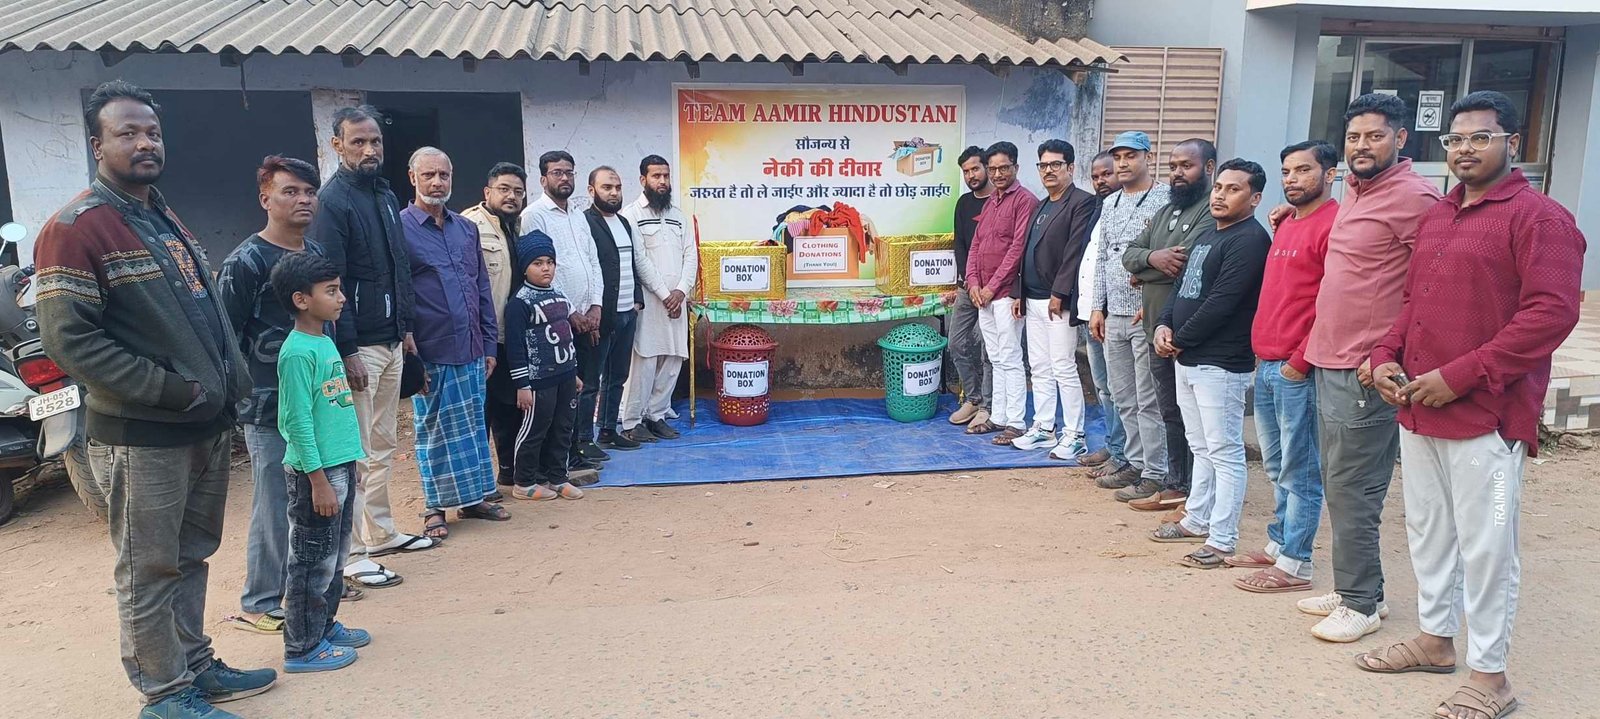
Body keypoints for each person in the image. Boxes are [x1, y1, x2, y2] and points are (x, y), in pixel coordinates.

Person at [35, 80, 276, 718]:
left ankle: (193, 664)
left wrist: (228, 388)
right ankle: (164, 694)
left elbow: (204, 315)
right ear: (98, 146)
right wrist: (170, 390)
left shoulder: (161, 216)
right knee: (148, 568)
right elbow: (69, 341)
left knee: (192, 555)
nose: (145, 143)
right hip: (143, 432)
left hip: (203, 425)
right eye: (128, 133)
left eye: (153, 133)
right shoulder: (75, 229)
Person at [1363, 90, 1585, 719]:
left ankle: (1491, 676)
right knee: (1428, 531)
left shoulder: (1540, 219)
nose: (1464, 149)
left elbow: (1551, 314)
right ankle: (1435, 641)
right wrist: (1384, 354)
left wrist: (1462, 376)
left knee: (1488, 546)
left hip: (1488, 418)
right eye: (1455, 139)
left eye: (1480, 137)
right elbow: (1413, 302)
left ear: (1512, 143)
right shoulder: (1441, 214)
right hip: (1418, 407)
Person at [1293, 94, 1442, 644]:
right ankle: (1358, 589)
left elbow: (1432, 286)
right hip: (1329, 358)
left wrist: (1387, 354)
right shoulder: (1355, 192)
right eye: (1354, 137)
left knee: (1354, 487)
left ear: (1400, 139)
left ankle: (1360, 603)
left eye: (1375, 136)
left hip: (1365, 369)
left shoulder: (1416, 197)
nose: (1362, 146)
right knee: (1337, 482)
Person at [312, 105, 432, 590]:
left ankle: (380, 533)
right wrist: (346, 349)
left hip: (392, 339)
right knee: (356, 451)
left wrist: (406, 327)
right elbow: (331, 280)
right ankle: (353, 553)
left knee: (383, 444)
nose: (369, 150)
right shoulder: (332, 201)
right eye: (358, 142)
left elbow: (398, 267)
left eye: (375, 141)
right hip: (359, 346)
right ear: (336, 145)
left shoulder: (384, 194)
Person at [218, 156, 328, 634]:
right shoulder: (245, 262)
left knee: (317, 497)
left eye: (309, 191)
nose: (303, 199)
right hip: (269, 407)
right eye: (290, 191)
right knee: (274, 504)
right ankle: (260, 600)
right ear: (265, 199)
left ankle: (307, 589)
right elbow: (225, 336)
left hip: (318, 402)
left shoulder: (315, 253)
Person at [1149, 159, 1271, 570]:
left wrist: (1179, 339)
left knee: (1225, 451)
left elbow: (1223, 302)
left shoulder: (1250, 240)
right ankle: (1196, 519)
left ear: (1255, 198)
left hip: (1221, 363)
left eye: (1234, 189)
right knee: (1200, 445)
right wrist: (1164, 325)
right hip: (1187, 358)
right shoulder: (1207, 234)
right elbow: (1181, 289)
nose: (1220, 195)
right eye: (1219, 187)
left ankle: (1222, 539)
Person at [1232, 141, 1338, 594]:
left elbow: (1333, 304)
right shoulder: (1288, 223)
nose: (1292, 179)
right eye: (1287, 171)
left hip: (1298, 370)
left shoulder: (1334, 225)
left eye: (1303, 170)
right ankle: (1278, 544)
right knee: (1276, 465)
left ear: (1329, 175)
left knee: (1302, 470)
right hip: (1269, 364)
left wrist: (1301, 360)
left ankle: (1296, 563)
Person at [270, 252, 372, 674]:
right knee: (311, 561)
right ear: (301, 300)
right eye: (331, 291)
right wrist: (318, 480)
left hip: (339, 466)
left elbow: (335, 409)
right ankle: (302, 646)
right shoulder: (297, 353)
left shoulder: (325, 341)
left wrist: (350, 461)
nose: (341, 298)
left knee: (335, 556)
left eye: (339, 289)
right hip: (317, 475)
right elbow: (297, 421)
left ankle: (324, 626)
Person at [401, 147, 509, 539]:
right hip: (429, 348)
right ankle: (435, 507)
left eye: (443, 175)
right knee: (433, 430)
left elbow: (481, 288)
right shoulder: (399, 229)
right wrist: (407, 346)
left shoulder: (466, 228)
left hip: (472, 346)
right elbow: (400, 290)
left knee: (473, 426)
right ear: (412, 178)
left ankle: (473, 499)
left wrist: (489, 344)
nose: (437, 183)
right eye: (428, 175)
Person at [1119, 139, 1218, 508]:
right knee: (1170, 412)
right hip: (1156, 329)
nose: (1177, 173)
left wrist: (1143, 271)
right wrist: (1151, 260)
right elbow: (1129, 254)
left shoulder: (1211, 209)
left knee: (1195, 418)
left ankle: (1195, 491)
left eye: (1186, 166)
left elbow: (1187, 263)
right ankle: (1176, 485)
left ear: (1209, 168)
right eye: (1173, 166)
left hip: (1189, 331)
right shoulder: (1165, 211)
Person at [1090, 131, 1170, 492]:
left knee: (1147, 399)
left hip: (1145, 314)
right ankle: (1134, 463)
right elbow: (1102, 259)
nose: (1122, 163)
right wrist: (1097, 307)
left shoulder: (1166, 198)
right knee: (1122, 395)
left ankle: (1156, 471)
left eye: (1130, 156)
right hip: (1114, 316)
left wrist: (1152, 303)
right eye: (1118, 157)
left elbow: (1174, 256)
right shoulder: (1110, 203)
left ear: (1148, 158)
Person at [1010, 139, 1096, 461]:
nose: (1048, 170)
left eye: (1055, 164)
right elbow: (1026, 251)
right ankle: (1044, 427)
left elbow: (1075, 252)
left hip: (1057, 301)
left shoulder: (1081, 203)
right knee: (1040, 367)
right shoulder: (1042, 205)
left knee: (1063, 366)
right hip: (1032, 299)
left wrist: (1060, 293)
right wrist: (1018, 292)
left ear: (1070, 167)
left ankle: (1075, 434)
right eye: (1043, 165)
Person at [520, 151, 606, 472]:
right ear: (543, 179)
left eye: (569, 172)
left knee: (579, 390)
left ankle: (575, 452)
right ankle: (557, 462)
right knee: (558, 395)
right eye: (557, 173)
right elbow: (539, 272)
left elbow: (593, 262)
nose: (565, 178)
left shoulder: (579, 215)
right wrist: (570, 313)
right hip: (554, 323)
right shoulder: (534, 216)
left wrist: (595, 306)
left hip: (586, 320)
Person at [964, 141, 1039, 445]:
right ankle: (999, 416)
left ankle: (1016, 422)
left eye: (1003, 168)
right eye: (992, 169)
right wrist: (972, 283)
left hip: (1006, 293)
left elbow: (1017, 249)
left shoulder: (1025, 201)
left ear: (1016, 167)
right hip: (982, 294)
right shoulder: (991, 202)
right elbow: (976, 245)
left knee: (1010, 357)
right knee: (995, 358)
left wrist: (991, 287)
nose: (997, 174)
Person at [505, 230, 587, 501]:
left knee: (564, 427)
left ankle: (558, 477)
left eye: (550, 262)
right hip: (538, 380)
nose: (546, 268)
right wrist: (522, 385)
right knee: (535, 429)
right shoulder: (520, 303)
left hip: (565, 375)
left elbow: (566, 335)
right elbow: (515, 348)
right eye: (537, 263)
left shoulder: (559, 295)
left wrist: (574, 372)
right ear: (524, 268)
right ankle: (524, 481)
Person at [621, 155, 697, 442]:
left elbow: (691, 255)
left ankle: (657, 415)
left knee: (673, 359)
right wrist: (666, 296)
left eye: (665, 176)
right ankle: (633, 421)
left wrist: (681, 291)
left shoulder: (679, 216)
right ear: (643, 180)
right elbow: (639, 260)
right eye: (656, 176)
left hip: (678, 300)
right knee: (646, 360)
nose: (662, 181)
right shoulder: (631, 215)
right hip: (651, 303)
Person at [462, 162, 528, 488]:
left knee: (508, 407)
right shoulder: (469, 225)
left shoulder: (517, 227)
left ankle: (507, 473)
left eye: (518, 191)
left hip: (509, 336)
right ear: (487, 192)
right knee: (480, 413)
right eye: (504, 189)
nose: (511, 196)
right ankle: (478, 485)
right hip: (480, 338)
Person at [580, 166, 644, 455]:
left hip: (628, 312)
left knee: (617, 377)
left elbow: (631, 263)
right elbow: (587, 270)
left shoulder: (624, 223)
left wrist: (637, 299)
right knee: (591, 382)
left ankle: (607, 432)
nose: (614, 193)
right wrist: (591, 313)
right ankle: (583, 441)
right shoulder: (585, 223)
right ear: (591, 190)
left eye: (617, 187)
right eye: (607, 187)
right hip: (601, 315)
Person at [1075, 151, 1130, 476]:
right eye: (1095, 176)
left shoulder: (1129, 212)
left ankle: (1124, 455)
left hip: (1115, 315)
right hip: (1091, 313)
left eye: (1106, 174)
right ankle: (1113, 445)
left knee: (1121, 390)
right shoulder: (1099, 209)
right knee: (1104, 388)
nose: (1101, 181)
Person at [948, 145, 994, 432]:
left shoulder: (1001, 201)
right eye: (966, 171)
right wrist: (968, 278)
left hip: (995, 289)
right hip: (968, 286)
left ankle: (988, 405)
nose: (971, 176)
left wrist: (988, 284)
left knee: (989, 350)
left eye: (975, 169)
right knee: (956, 342)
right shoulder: (964, 203)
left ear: (987, 167)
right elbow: (961, 244)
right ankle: (973, 397)